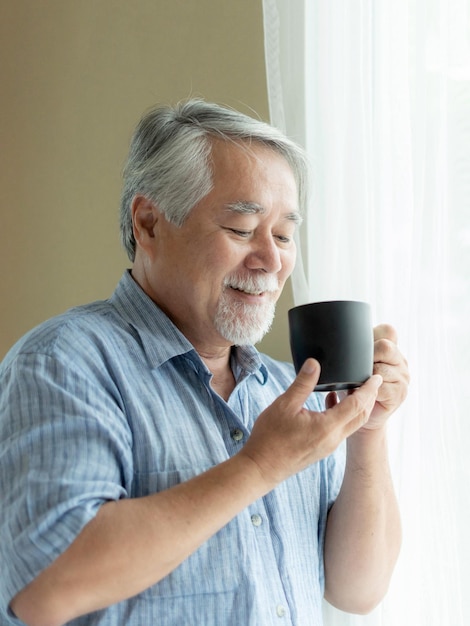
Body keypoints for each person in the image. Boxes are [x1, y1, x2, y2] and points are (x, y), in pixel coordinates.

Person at [0, 99, 409, 626]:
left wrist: (366, 430)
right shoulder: (62, 363)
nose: (272, 259)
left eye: (284, 235)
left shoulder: (287, 393)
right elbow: (43, 590)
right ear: (148, 223)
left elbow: (358, 590)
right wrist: (258, 466)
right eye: (242, 228)